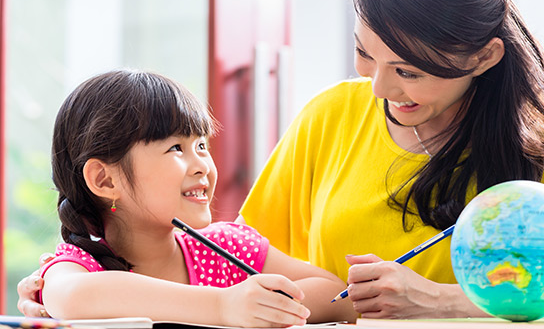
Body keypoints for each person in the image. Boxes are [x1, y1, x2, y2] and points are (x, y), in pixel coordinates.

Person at [18, 0, 544, 321]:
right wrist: (80, 287)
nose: (378, 88)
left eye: (410, 70)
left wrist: (450, 300)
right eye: (366, 54)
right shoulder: (332, 115)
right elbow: (238, 268)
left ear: (484, 56)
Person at [20, 69, 355, 327]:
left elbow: (338, 295)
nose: (202, 166)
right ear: (105, 179)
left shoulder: (226, 248)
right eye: (176, 148)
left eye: (202, 146)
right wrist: (225, 306)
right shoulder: (77, 266)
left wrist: (268, 304)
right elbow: (76, 298)